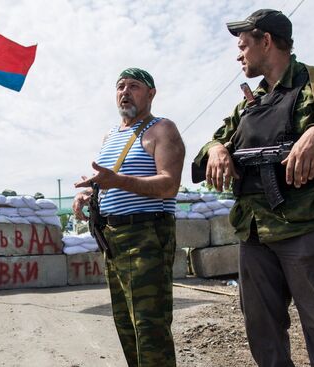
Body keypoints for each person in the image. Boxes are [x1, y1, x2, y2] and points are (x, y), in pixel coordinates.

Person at [192, 9, 314, 367]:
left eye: (244, 44)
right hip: (255, 233)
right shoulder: (250, 103)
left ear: (266, 41)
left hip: (310, 228)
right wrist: (216, 149)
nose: (239, 53)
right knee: (262, 334)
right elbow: (215, 140)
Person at [73, 68, 185, 367]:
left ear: (151, 93)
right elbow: (109, 180)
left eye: (134, 86)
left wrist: (118, 181)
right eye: (120, 86)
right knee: (125, 321)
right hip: (113, 238)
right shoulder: (111, 136)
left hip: (146, 234)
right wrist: (90, 193)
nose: (125, 91)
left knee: (150, 325)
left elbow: (169, 185)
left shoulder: (162, 129)